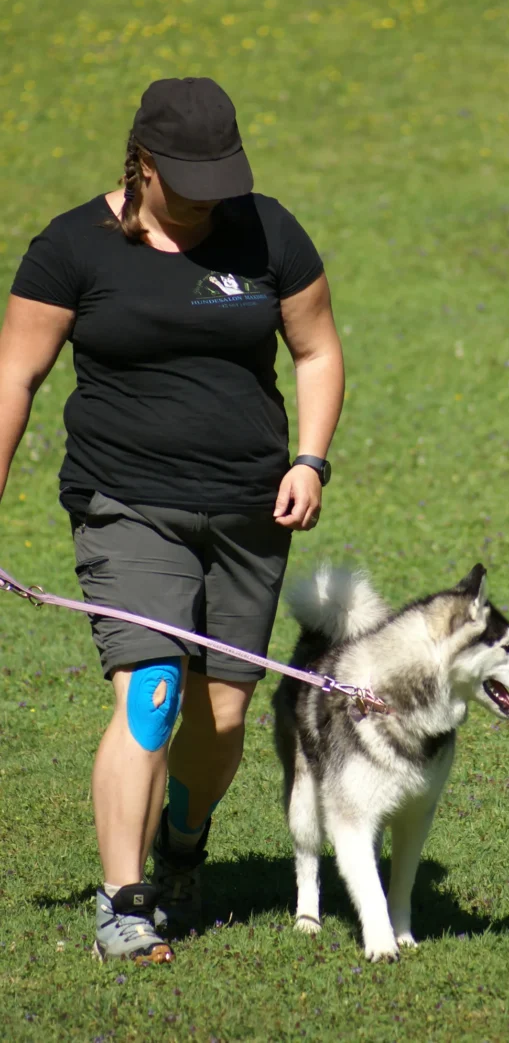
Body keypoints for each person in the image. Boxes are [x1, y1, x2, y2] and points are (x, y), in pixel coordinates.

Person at [0, 77, 344, 964]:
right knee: (152, 692)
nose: (208, 199)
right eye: (189, 180)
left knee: (220, 716)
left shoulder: (267, 230)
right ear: (142, 162)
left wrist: (310, 458)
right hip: (127, 502)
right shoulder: (71, 248)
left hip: (249, 508)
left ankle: (183, 842)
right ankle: (123, 903)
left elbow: (316, 349)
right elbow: (15, 378)